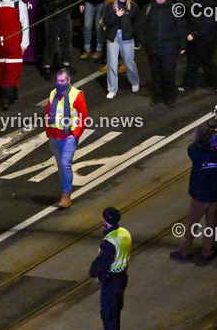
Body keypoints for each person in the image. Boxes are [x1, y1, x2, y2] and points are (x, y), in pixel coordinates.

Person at [171, 122, 217, 265]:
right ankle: (207, 252)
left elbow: (192, 148)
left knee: (192, 224)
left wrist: (203, 141)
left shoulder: (196, 151)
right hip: (215, 195)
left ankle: (184, 250)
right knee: (211, 225)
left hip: (199, 195)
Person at [45, 68, 88, 209]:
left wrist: (75, 135)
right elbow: (48, 114)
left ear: (69, 80)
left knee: (65, 164)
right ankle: (64, 190)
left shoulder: (77, 95)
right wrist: (49, 133)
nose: (60, 83)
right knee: (60, 166)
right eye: (58, 81)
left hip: (68, 136)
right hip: (55, 136)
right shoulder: (53, 93)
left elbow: (83, 117)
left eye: (62, 81)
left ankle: (66, 195)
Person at [140, 0, 185, 107]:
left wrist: (182, 45)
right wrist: (145, 42)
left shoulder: (174, 9)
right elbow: (140, 27)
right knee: (156, 74)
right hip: (153, 48)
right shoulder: (148, 9)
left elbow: (181, 27)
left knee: (169, 73)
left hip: (169, 48)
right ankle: (158, 96)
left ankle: (170, 97)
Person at [89, 207, 130, 330]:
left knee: (109, 315)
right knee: (116, 311)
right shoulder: (125, 233)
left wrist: (94, 272)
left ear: (105, 220)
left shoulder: (109, 242)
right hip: (122, 278)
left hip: (111, 282)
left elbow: (103, 263)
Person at [0, 0, 29, 110]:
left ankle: (6, 97)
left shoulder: (19, 4)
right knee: (1, 69)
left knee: (12, 70)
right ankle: (10, 92)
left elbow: (25, 25)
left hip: (14, 43)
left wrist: (24, 44)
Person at [102, 0, 140, 99]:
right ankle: (112, 89)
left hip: (127, 37)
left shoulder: (133, 7)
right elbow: (106, 21)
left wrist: (134, 36)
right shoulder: (110, 6)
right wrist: (115, 15)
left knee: (129, 62)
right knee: (112, 64)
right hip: (113, 37)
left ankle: (135, 81)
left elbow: (137, 23)